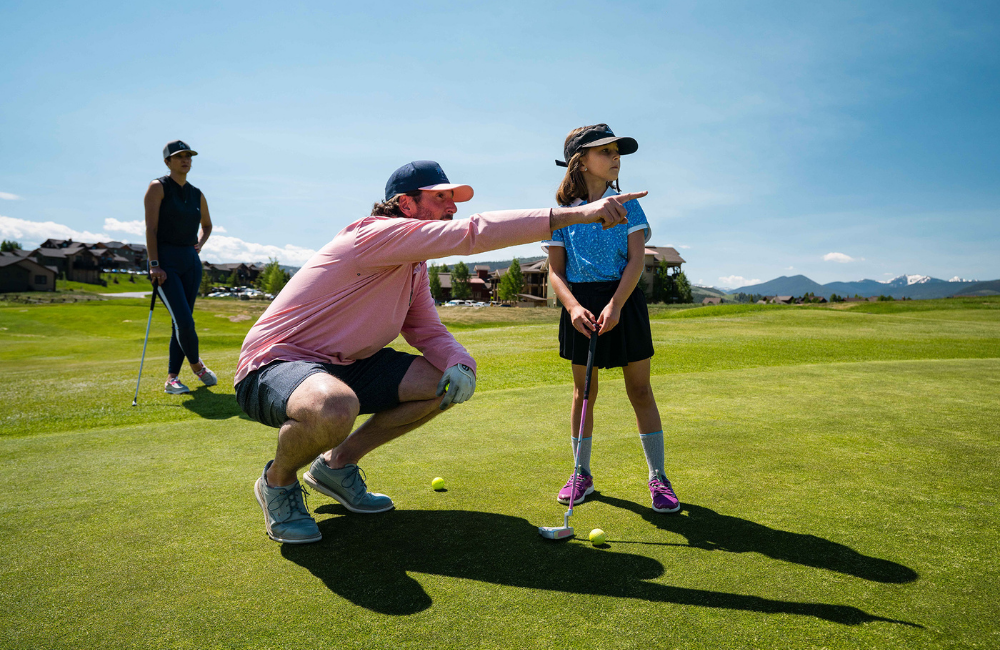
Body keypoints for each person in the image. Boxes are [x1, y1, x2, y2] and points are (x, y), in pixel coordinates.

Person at [235, 160, 646, 544]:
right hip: (276, 363)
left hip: (348, 366)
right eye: (440, 198)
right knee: (334, 405)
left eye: (453, 200)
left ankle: (336, 467)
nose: (451, 208)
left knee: (441, 383)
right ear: (405, 203)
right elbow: (471, 234)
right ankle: (278, 482)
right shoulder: (372, 233)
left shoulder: (414, 266)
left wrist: (461, 363)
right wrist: (582, 213)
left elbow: (426, 329)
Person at [543, 124, 680, 514]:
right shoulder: (562, 213)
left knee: (640, 391)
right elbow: (555, 270)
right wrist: (571, 307)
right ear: (580, 161)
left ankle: (658, 476)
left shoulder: (629, 204)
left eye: (618, 151)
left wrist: (617, 304)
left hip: (624, 300)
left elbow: (637, 260)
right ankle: (581, 472)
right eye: (605, 151)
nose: (615, 157)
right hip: (580, 305)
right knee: (584, 394)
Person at [143, 140, 218, 394]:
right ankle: (197, 366)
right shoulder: (158, 187)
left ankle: (172, 378)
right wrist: (154, 264)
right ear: (167, 162)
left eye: (188, 156)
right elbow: (151, 229)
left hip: (190, 262)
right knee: (184, 321)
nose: (185, 160)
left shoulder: (197, 193)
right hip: (165, 262)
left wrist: (200, 244)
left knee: (182, 321)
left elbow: (207, 225)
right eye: (179, 157)